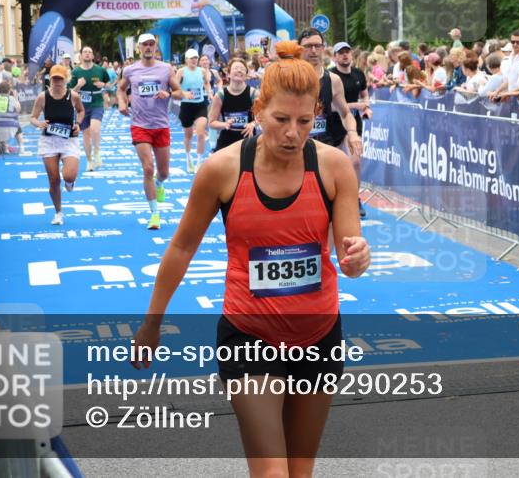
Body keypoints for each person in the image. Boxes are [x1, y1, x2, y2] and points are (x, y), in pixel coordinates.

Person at [131, 41, 370, 476]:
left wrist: (358, 257)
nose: (293, 133)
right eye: (281, 120)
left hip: (318, 334)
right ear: (258, 111)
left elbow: (349, 250)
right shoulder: (222, 169)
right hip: (249, 335)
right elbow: (182, 247)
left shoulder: (334, 166)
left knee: (299, 471)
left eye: (304, 121)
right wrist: (152, 322)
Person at [118, 33, 184, 230]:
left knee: (163, 172)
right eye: (144, 44)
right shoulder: (130, 70)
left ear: (155, 47)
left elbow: (179, 92)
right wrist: (122, 103)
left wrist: (168, 93)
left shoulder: (166, 69)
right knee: (148, 168)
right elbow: (120, 89)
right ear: (139, 48)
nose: (148, 47)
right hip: (139, 125)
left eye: (151, 44)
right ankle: (155, 214)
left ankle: (160, 183)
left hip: (161, 125)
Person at [29, 65, 85, 224]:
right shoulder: (43, 97)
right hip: (49, 141)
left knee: (69, 175)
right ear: (50, 79)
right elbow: (32, 117)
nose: (57, 82)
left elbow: (81, 111)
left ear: (66, 80)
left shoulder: (73, 96)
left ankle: (70, 182)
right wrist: (39, 124)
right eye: (55, 79)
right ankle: (58, 212)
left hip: (68, 140)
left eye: (60, 79)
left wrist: (78, 124)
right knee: (54, 180)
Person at [296, 31, 362, 159]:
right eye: (308, 46)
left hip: (324, 147)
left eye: (317, 46)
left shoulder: (333, 80)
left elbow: (346, 114)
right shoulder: (289, 78)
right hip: (296, 146)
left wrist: (352, 133)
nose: (313, 50)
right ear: (299, 49)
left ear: (323, 48)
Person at [332, 42, 370, 217]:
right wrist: (357, 105)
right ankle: (334, 198)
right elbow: (332, 105)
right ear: (335, 57)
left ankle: (355, 198)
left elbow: (364, 93)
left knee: (355, 162)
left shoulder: (358, 74)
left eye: (347, 52)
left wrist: (366, 105)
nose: (345, 55)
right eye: (341, 53)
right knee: (334, 163)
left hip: (353, 122)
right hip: (333, 122)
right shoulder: (331, 76)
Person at [70, 46, 109, 171]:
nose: (87, 54)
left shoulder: (100, 70)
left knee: (95, 129)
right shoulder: (75, 72)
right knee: (86, 134)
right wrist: (78, 86)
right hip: (82, 106)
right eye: (85, 52)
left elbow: (110, 85)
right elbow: (70, 92)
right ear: (81, 56)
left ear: (92, 56)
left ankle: (97, 153)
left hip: (97, 103)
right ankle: (89, 161)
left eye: (89, 52)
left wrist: (103, 84)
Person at [209, 58, 258, 152]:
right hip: (227, 141)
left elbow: (262, 116)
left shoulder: (254, 94)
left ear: (246, 75)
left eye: (242, 69)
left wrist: (252, 124)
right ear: (228, 74)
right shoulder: (220, 95)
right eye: (236, 68)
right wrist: (224, 124)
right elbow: (211, 123)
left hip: (248, 140)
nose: (239, 70)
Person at [176, 48, 213, 172]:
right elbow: (175, 88)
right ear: (186, 59)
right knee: (188, 135)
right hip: (186, 106)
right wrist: (184, 93)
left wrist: (209, 92)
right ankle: (188, 158)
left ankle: (199, 161)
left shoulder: (202, 71)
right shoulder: (181, 71)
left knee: (201, 133)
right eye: (191, 58)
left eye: (196, 58)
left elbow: (206, 83)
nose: (194, 60)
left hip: (200, 105)